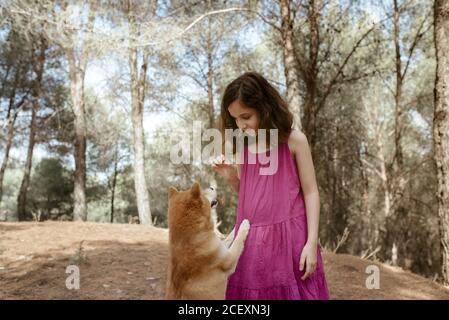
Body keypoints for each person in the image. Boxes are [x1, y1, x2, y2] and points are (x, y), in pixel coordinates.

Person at [212, 71, 330, 300]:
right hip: (251, 244)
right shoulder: (244, 147)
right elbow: (250, 196)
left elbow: (311, 192)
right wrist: (230, 177)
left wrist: (311, 242)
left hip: (291, 241)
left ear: (265, 108)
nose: (241, 125)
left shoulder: (294, 141)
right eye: (235, 119)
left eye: (246, 116)